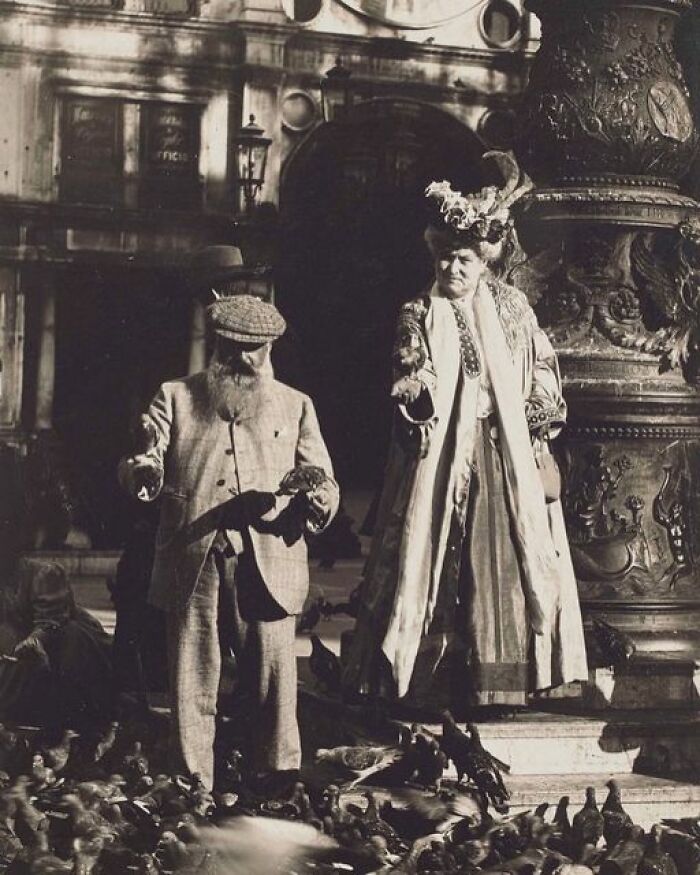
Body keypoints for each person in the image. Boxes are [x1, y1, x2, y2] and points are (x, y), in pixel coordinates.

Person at [342, 155, 588, 713]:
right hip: (443, 454)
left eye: (464, 260)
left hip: (504, 458)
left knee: (502, 559)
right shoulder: (419, 311)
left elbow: (543, 366)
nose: (452, 269)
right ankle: (425, 681)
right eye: (445, 258)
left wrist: (536, 417)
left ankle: (497, 683)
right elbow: (415, 364)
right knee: (430, 555)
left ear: (485, 263)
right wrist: (416, 389)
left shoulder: (513, 309)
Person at [118, 284, 339, 791]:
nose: (241, 359)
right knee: (192, 674)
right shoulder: (174, 396)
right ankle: (191, 784)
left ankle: (275, 780)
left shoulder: (296, 405)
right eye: (230, 348)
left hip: (270, 556)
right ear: (214, 345)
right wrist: (144, 474)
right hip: (192, 556)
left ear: (270, 350)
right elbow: (142, 456)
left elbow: (323, 478)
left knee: (273, 676)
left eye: (252, 350)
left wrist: (317, 500)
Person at [0, 534, 113, 727]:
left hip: (63, 642)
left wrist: (34, 640)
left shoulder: (42, 573)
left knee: (67, 640)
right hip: (27, 647)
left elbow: (52, 619)